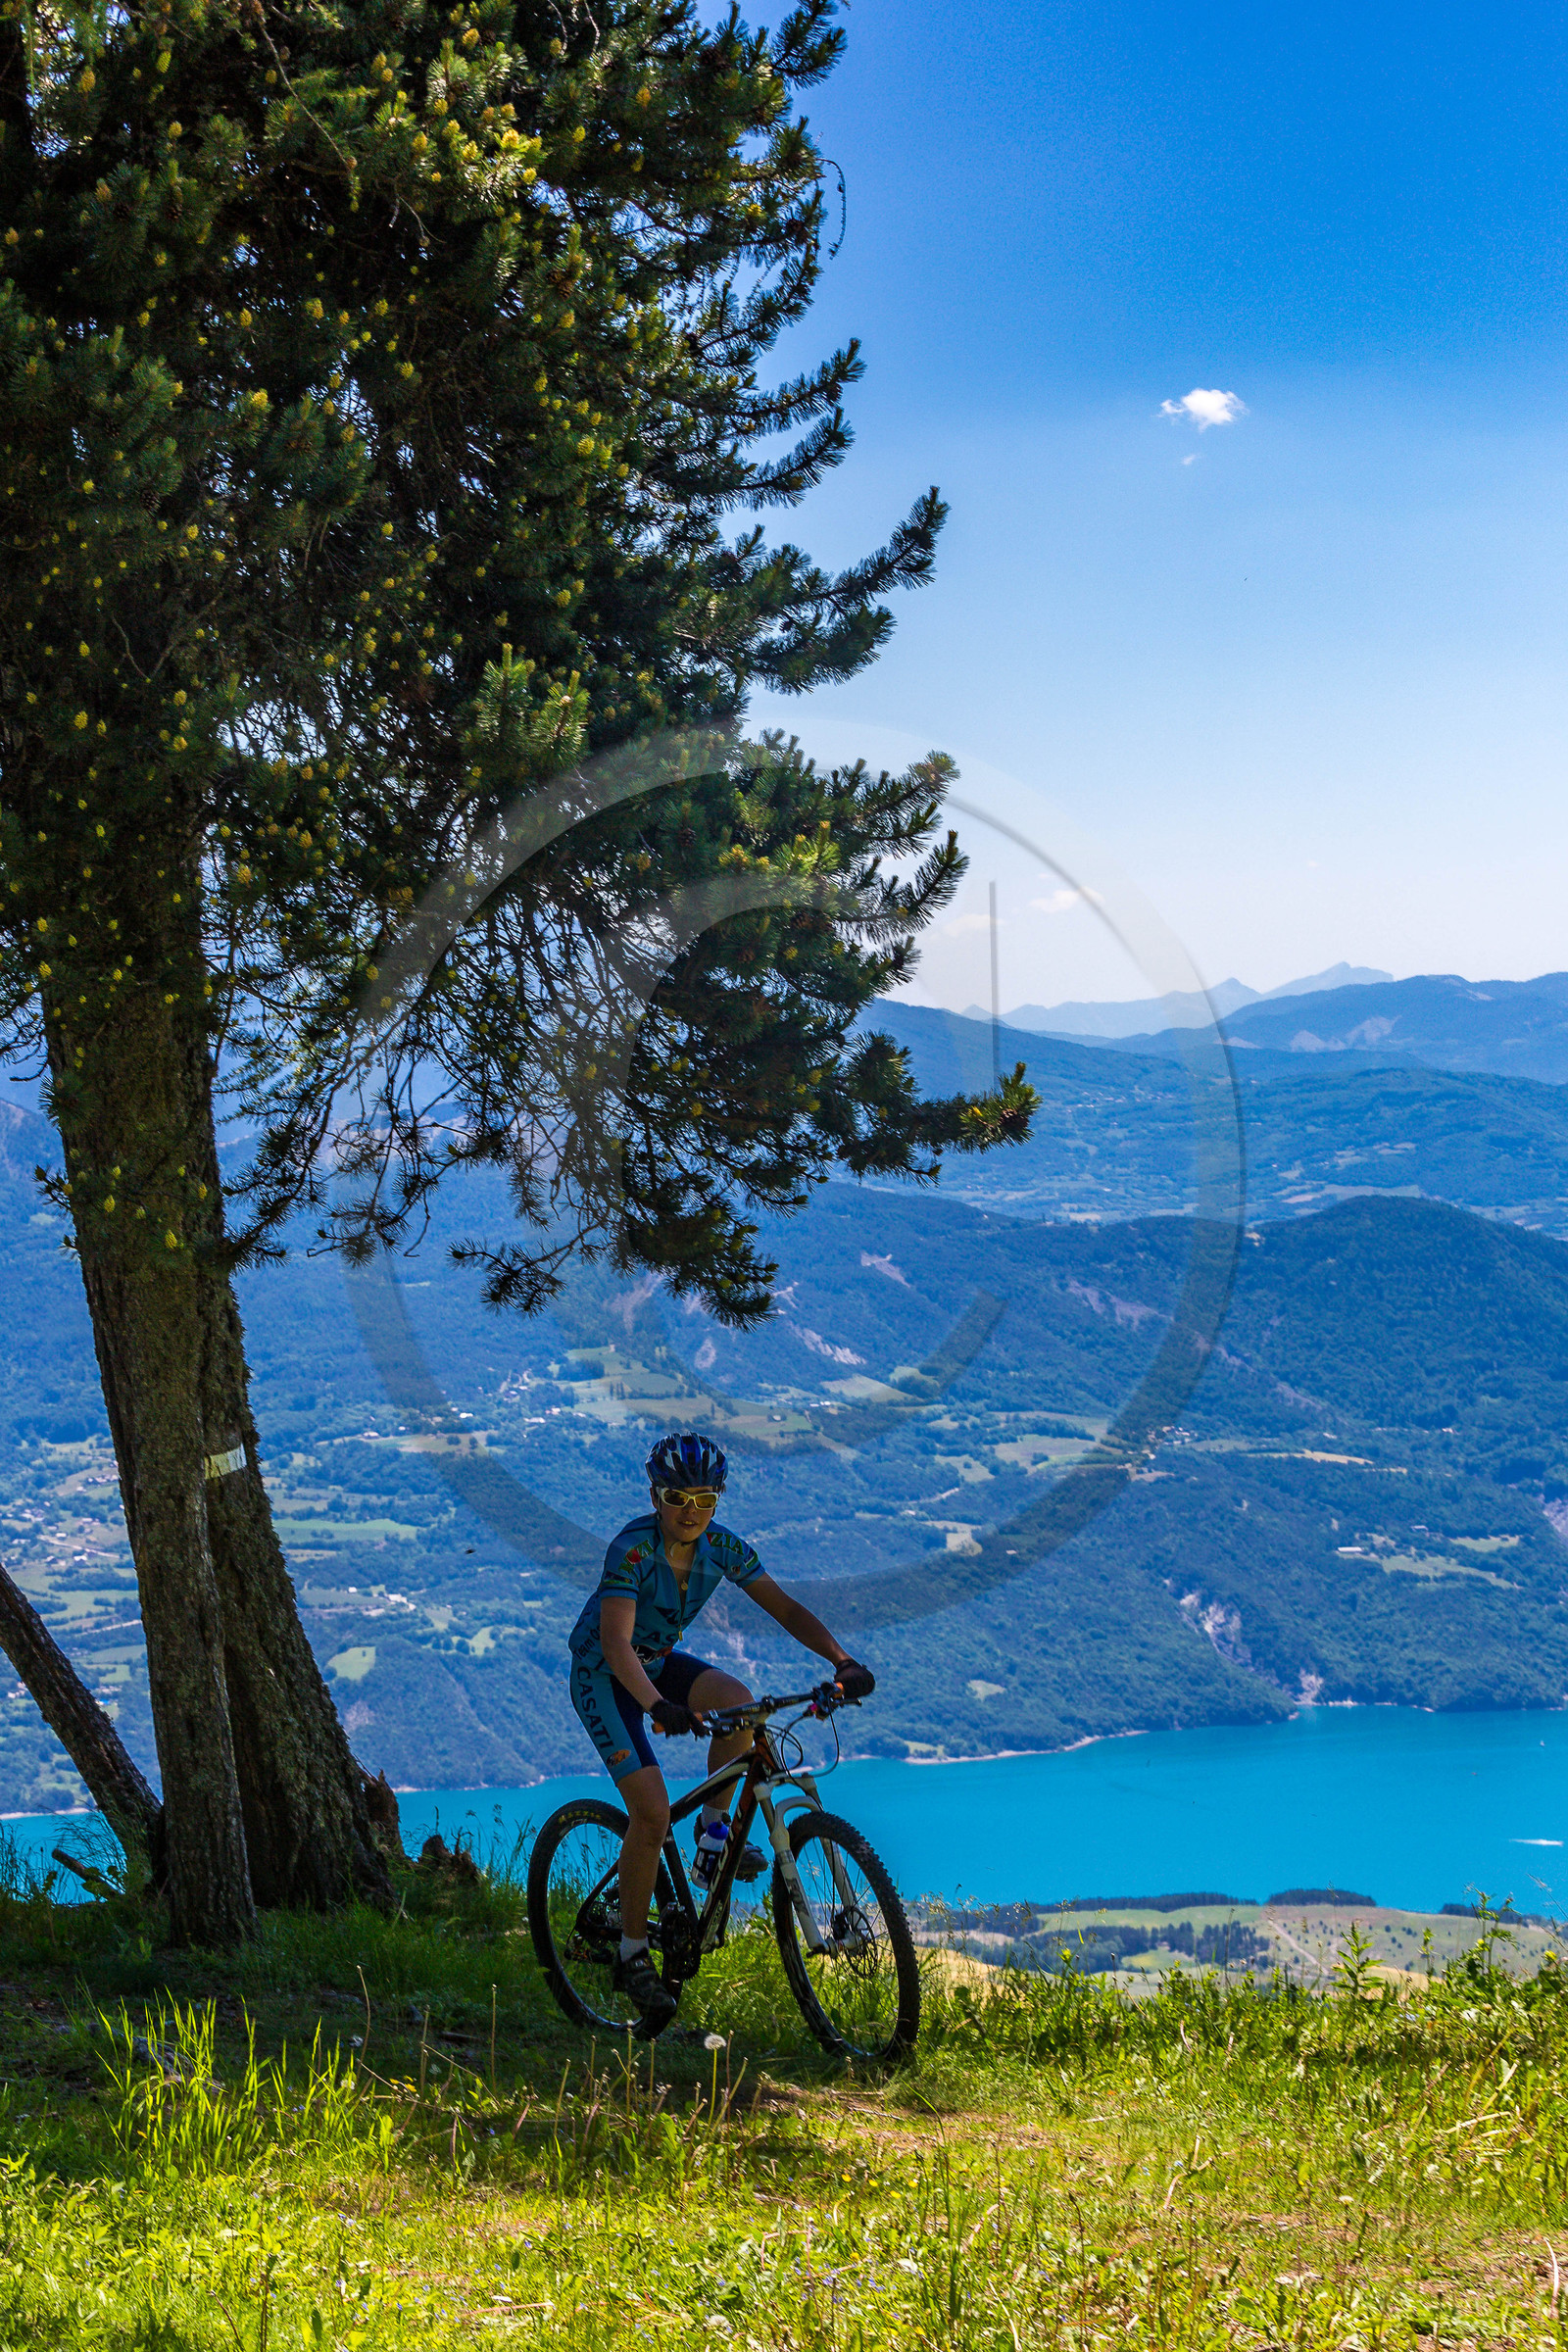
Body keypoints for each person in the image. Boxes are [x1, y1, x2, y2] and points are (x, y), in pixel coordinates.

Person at [567, 1430, 875, 2030]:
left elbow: (785, 1608)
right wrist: (658, 1705)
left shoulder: (724, 1548)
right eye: (677, 1498)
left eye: (705, 1500)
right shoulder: (631, 1550)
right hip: (605, 1676)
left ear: (718, 1500)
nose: (691, 1511)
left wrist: (842, 1662)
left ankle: (713, 1838)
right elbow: (615, 1643)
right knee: (651, 1814)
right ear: (655, 1497)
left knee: (740, 1706)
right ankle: (632, 1953)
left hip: (657, 1665)